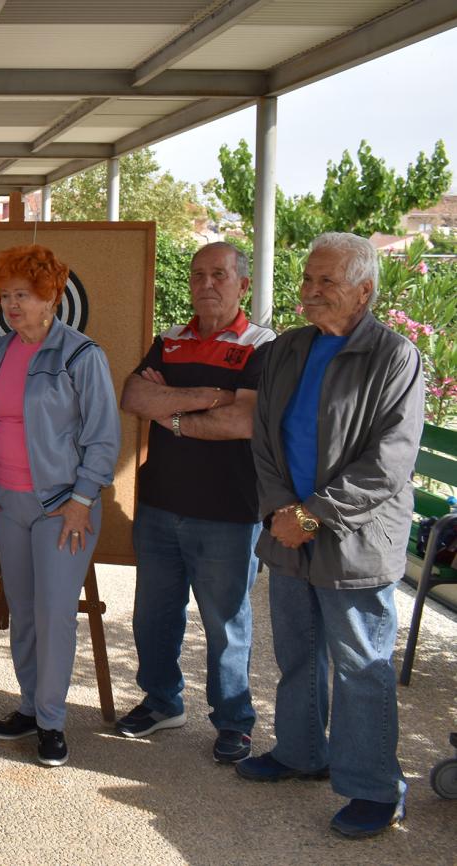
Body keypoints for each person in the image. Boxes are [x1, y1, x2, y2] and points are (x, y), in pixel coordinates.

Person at [237, 232, 424, 839]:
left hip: (353, 539)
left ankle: (373, 788)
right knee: (295, 655)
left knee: (362, 667)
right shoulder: (289, 347)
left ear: (364, 291)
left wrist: (311, 515)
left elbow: (389, 461)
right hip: (288, 530)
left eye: (328, 282)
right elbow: (264, 438)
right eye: (308, 280)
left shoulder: (394, 356)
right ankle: (299, 753)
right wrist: (279, 511)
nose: (311, 292)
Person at [115, 242, 274, 764]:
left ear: (242, 285)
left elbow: (243, 422)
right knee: (154, 615)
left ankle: (233, 721)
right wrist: (212, 394)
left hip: (229, 513)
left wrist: (172, 412)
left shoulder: (262, 345)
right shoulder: (169, 340)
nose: (207, 284)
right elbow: (133, 398)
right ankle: (162, 702)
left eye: (220, 275)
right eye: (198, 274)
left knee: (226, 623)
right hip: (160, 504)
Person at [0, 245, 119, 768]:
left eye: (22, 295)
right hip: (8, 504)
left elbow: (102, 440)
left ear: (51, 296)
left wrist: (81, 501)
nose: (12, 305)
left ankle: (53, 723)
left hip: (62, 508)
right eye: (5, 296)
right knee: (25, 613)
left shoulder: (82, 355)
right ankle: (29, 707)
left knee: (55, 615)